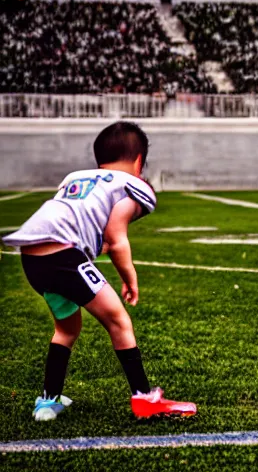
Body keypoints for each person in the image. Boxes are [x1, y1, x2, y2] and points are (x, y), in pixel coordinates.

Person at [2, 121, 197, 420]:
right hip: (63, 255)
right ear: (139, 161)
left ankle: (47, 402)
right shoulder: (132, 183)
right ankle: (144, 399)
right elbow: (116, 238)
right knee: (119, 321)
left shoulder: (76, 178)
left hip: (32, 257)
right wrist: (129, 278)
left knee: (67, 329)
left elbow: (82, 222)